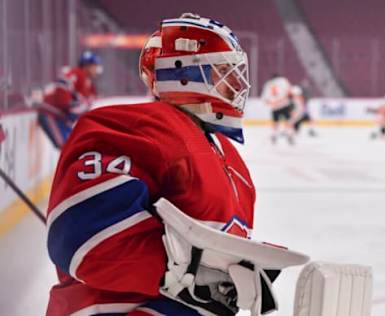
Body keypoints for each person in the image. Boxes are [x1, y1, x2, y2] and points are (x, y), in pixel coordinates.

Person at [45, 13, 279, 315]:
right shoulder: (133, 129)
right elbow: (82, 241)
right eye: (223, 72)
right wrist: (190, 275)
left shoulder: (231, 160)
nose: (235, 84)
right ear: (184, 74)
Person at [37, 51, 101, 149]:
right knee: (66, 145)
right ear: (86, 66)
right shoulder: (77, 74)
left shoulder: (89, 85)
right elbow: (62, 87)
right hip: (51, 114)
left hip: (62, 119)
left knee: (74, 144)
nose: (96, 69)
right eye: (94, 65)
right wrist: (67, 104)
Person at [261, 74, 295, 144]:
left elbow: (265, 98)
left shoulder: (268, 84)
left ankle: (274, 135)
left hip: (274, 107)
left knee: (275, 123)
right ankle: (290, 135)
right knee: (288, 121)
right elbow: (290, 92)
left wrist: (271, 103)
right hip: (285, 105)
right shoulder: (283, 80)